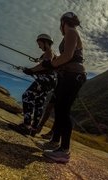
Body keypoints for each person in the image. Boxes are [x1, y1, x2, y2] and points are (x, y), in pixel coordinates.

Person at [40, 12, 86, 163]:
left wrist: (50, 64)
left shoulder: (71, 32)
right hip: (68, 75)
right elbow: (67, 57)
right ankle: (54, 142)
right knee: (60, 109)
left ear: (63, 22)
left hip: (73, 75)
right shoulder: (70, 33)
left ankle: (64, 151)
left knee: (63, 110)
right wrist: (54, 64)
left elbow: (67, 56)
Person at [14, 34, 58, 136]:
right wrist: (32, 71)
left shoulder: (49, 52)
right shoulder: (52, 53)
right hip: (51, 81)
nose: (39, 46)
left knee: (27, 96)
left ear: (45, 42)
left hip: (46, 79)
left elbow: (45, 64)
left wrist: (31, 70)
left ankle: (26, 125)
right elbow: (45, 67)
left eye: (40, 44)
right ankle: (33, 129)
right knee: (39, 102)